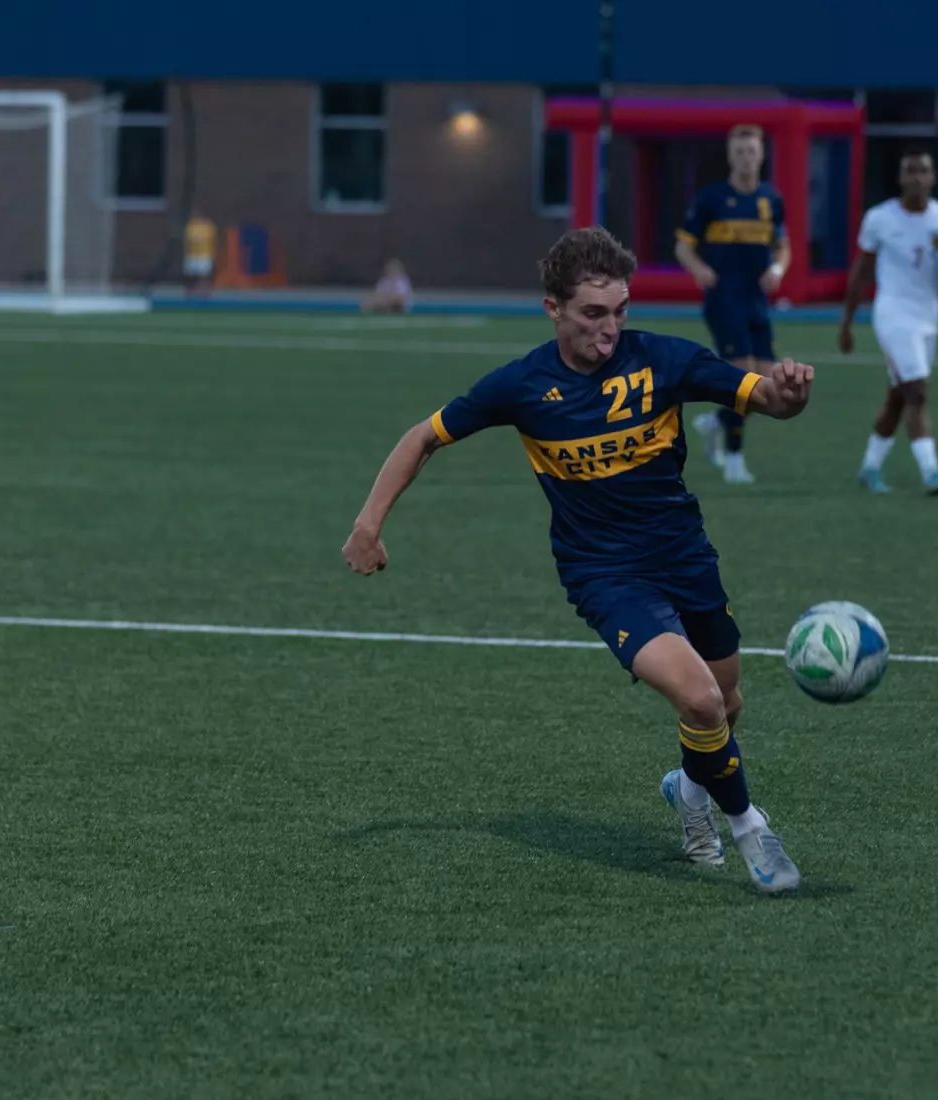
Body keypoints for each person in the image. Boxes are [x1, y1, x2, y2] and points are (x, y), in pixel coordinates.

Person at [342, 226, 815, 894]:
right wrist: (368, 523)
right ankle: (749, 830)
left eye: (621, 310)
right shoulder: (523, 385)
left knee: (726, 699)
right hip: (604, 575)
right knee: (702, 699)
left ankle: (687, 789)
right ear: (552, 308)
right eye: (594, 313)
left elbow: (764, 397)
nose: (611, 327)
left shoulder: (664, 360)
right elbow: (425, 436)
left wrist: (790, 394)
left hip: (684, 555)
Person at [838, 147, 938, 495]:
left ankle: (870, 467)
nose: (917, 178)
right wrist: (847, 322)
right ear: (900, 178)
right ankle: (931, 471)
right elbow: (861, 271)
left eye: (923, 171)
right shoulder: (880, 218)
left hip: (928, 317)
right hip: (893, 315)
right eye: (910, 171)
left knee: (899, 396)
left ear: (933, 177)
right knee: (918, 392)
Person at [674, 124, 790, 485]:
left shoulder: (771, 200)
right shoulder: (712, 199)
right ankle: (735, 462)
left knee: (770, 386)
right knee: (745, 378)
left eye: (752, 151)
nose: (746, 158)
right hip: (724, 299)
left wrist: (778, 269)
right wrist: (699, 268)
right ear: (730, 156)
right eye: (740, 152)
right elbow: (682, 246)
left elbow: (783, 246)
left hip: (757, 300)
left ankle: (717, 422)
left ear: (762, 155)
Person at [182, 213, 217, 297]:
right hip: (192, 254)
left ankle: (204, 291)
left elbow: (213, 241)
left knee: (204, 274)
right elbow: (187, 241)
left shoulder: (208, 226)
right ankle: (190, 291)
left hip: (205, 255)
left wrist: (213, 255)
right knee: (191, 274)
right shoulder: (191, 226)